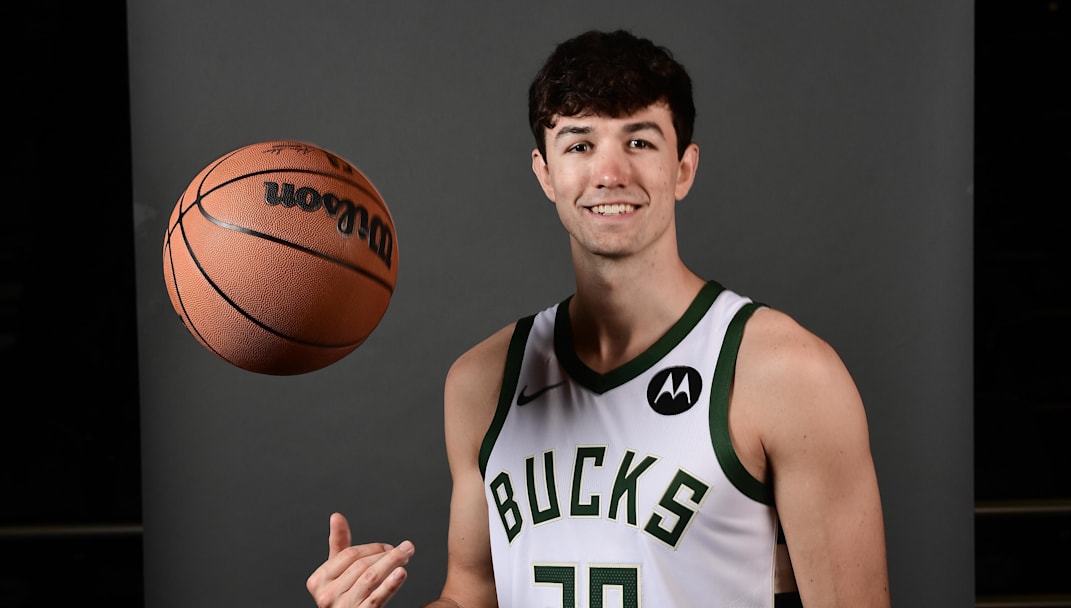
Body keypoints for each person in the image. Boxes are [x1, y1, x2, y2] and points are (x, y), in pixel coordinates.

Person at [306, 28, 891, 607]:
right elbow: (471, 595)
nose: (610, 174)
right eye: (580, 145)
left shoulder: (785, 373)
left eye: (639, 142)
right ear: (545, 173)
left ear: (683, 168)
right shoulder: (482, 382)